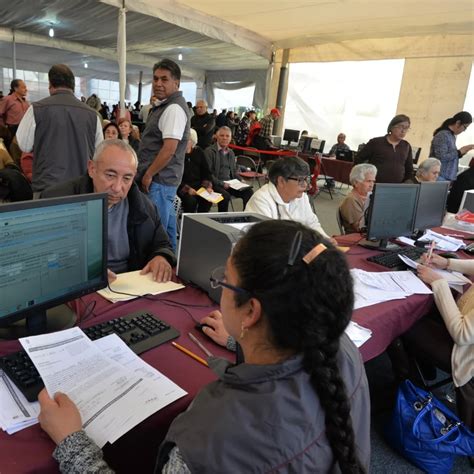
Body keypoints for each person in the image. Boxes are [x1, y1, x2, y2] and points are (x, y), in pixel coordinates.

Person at [37, 220, 370, 473]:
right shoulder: (339, 348)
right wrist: (238, 337)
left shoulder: (215, 440)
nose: (219, 286)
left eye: (224, 279)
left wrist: (72, 444)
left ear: (252, 312)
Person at [42, 139, 175, 283]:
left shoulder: (145, 206)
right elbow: (41, 256)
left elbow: (162, 244)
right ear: (92, 169)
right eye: (110, 175)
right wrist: (82, 271)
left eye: (127, 178)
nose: (117, 187)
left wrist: (161, 257)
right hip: (76, 287)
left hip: (129, 285)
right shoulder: (57, 201)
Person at [402, 253, 474, 430]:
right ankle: (427, 373)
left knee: (406, 321)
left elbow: (461, 334)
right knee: (429, 312)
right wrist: (447, 263)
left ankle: (411, 392)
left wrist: (439, 282)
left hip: (465, 354)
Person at [16, 64, 103, 195]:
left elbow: (24, 145)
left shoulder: (36, 109)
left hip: (47, 188)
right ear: (73, 86)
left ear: (50, 85)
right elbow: (99, 153)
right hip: (81, 190)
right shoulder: (93, 115)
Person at [137, 59, 191, 251]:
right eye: (155, 79)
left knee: (154, 230)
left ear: (176, 83)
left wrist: (149, 174)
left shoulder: (173, 108)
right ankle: (173, 266)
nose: (158, 83)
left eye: (164, 79)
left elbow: (169, 150)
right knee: (166, 229)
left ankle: (162, 267)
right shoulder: (165, 106)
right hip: (161, 180)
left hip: (159, 180)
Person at [245, 156, 334, 241]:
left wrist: (325, 239)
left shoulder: (301, 196)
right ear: (281, 181)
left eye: (306, 179)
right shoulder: (261, 200)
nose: (306, 185)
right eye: (300, 180)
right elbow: (268, 241)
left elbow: (312, 223)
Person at [204, 126, 253, 212]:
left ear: (230, 138)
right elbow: (208, 174)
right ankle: (222, 220)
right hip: (215, 184)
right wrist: (222, 184)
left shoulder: (231, 153)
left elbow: (234, 171)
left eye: (227, 136)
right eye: (222, 135)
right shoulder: (209, 151)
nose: (224, 138)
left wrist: (241, 180)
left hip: (231, 183)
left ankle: (244, 216)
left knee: (249, 192)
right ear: (217, 137)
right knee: (225, 196)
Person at [355, 114, 414, 183]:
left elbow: (409, 169)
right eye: (401, 127)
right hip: (374, 185)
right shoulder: (376, 142)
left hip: (396, 187)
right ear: (391, 127)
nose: (403, 131)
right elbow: (358, 160)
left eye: (406, 128)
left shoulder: (406, 146)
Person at [430, 111, 474, 181]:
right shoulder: (443, 135)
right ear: (458, 123)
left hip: (445, 176)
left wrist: (462, 153)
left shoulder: (451, 135)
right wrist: (459, 152)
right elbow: (441, 157)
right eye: (465, 127)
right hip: (439, 175)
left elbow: (450, 155)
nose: (464, 130)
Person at [177, 128, 213, 213]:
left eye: (187, 140)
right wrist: (187, 189)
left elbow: (206, 171)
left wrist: (207, 186)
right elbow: (175, 176)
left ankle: (200, 222)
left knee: (207, 200)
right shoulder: (177, 154)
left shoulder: (199, 151)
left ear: (192, 141)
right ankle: (189, 224)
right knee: (191, 202)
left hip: (199, 186)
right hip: (181, 187)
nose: (184, 142)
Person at [339, 164, 377, 233]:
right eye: (368, 181)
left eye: (373, 181)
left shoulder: (370, 197)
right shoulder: (351, 200)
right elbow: (360, 228)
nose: (372, 185)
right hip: (357, 238)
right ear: (356, 182)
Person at [0, 79, 29, 145]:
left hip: (23, 130)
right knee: (11, 151)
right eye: (23, 87)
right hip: (11, 130)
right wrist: (4, 129)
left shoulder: (25, 102)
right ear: (15, 88)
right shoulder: (7, 99)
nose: (26, 89)